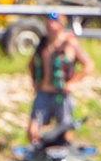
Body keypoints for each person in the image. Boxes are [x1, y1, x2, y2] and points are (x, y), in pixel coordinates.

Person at [26, 15, 93, 145]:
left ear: (60, 25)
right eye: (47, 22)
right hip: (43, 93)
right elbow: (31, 64)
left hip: (61, 94)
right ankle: (36, 157)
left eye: (52, 22)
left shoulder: (69, 43)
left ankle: (65, 158)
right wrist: (34, 81)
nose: (48, 24)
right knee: (32, 129)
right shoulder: (42, 43)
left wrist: (73, 82)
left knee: (64, 131)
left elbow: (89, 65)